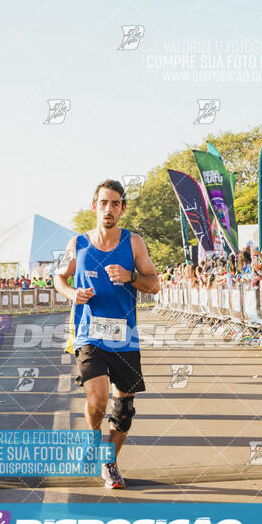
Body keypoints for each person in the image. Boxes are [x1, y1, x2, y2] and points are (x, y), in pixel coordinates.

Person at [54, 179, 160, 489]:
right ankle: (91, 433)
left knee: (123, 409)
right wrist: (72, 293)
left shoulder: (134, 243)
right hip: (89, 335)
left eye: (115, 203)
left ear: (122, 209)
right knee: (98, 397)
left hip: (125, 337)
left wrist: (130, 277)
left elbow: (153, 283)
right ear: (94, 207)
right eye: (104, 203)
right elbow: (58, 278)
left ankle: (109, 462)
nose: (109, 209)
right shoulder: (76, 244)